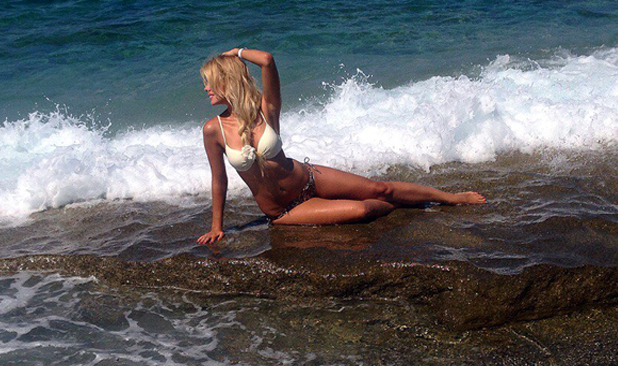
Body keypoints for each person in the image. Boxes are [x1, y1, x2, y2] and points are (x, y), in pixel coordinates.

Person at [197, 48, 486, 245]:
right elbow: (219, 180)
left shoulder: (265, 108)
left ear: (228, 81)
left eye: (210, 82)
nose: (206, 88)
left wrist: (236, 53)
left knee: (380, 188)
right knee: (361, 211)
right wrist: (216, 226)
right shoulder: (214, 129)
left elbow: (267, 60)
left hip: (309, 177)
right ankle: (405, 205)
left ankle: (450, 198)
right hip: (285, 211)